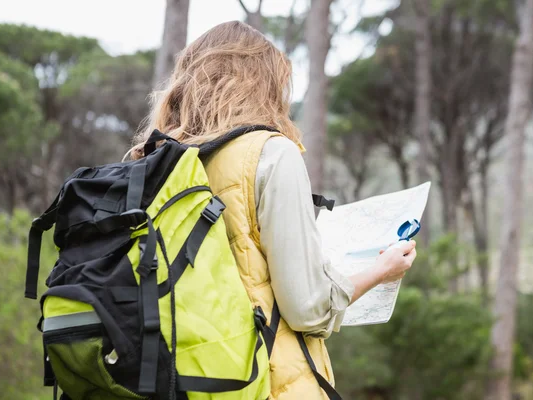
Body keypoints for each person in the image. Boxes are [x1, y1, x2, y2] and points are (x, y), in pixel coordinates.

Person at [131, 20, 417, 400]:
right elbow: (307, 309)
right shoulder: (270, 152)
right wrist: (381, 271)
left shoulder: (148, 163)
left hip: (182, 379)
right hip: (265, 381)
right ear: (262, 84)